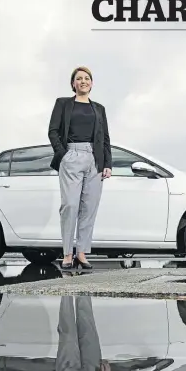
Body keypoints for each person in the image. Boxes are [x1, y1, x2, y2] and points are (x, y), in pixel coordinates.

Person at [48, 66, 112, 270]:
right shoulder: (63, 104)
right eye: (79, 78)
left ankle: (81, 253)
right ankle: (67, 253)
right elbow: (53, 131)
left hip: (95, 159)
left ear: (91, 83)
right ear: (73, 84)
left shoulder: (99, 108)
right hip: (72, 156)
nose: (83, 81)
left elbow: (106, 138)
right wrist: (63, 154)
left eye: (87, 78)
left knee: (89, 208)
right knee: (70, 205)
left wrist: (107, 164)